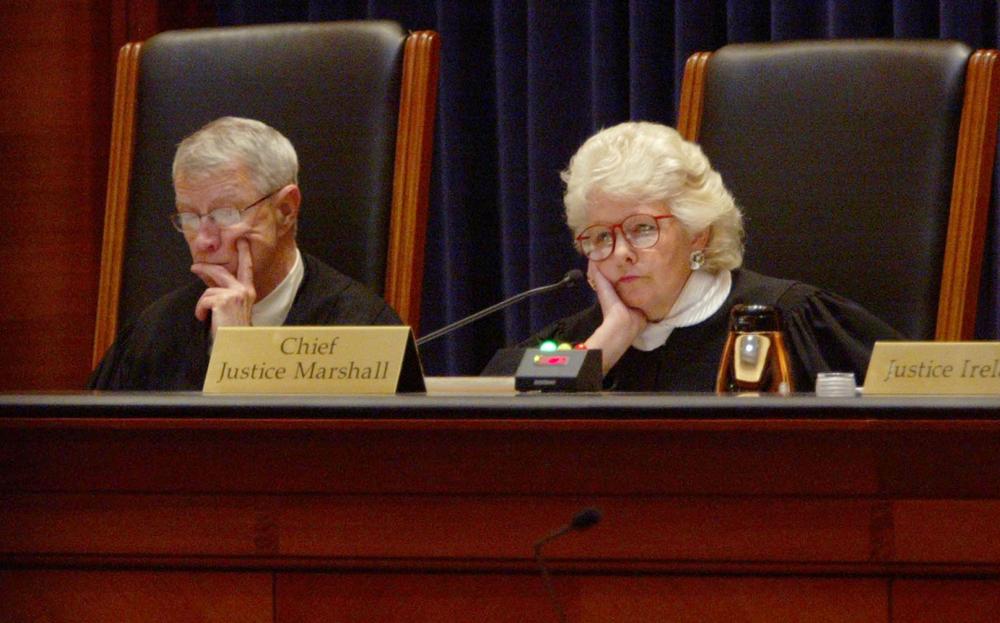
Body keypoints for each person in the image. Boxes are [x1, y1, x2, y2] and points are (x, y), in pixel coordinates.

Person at [526, 121, 901, 392]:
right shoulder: (576, 342)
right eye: (602, 236)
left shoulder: (791, 322)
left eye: (642, 228)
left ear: (696, 233)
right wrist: (602, 349)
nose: (620, 253)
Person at [89, 116, 401, 390]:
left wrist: (240, 353)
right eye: (189, 217)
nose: (203, 241)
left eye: (225, 214)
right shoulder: (153, 334)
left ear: (285, 210)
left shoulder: (363, 332)